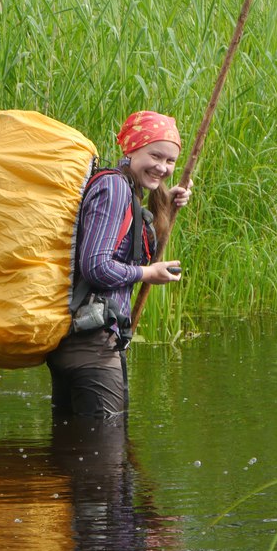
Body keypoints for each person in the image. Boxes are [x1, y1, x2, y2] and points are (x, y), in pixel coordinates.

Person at [47, 110, 192, 420]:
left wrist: (166, 203)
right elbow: (96, 266)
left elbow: (128, 247)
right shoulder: (114, 189)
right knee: (106, 456)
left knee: (73, 455)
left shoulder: (128, 191)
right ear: (131, 148)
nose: (162, 167)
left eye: (170, 162)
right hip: (91, 346)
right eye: (155, 155)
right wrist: (147, 274)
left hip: (84, 344)